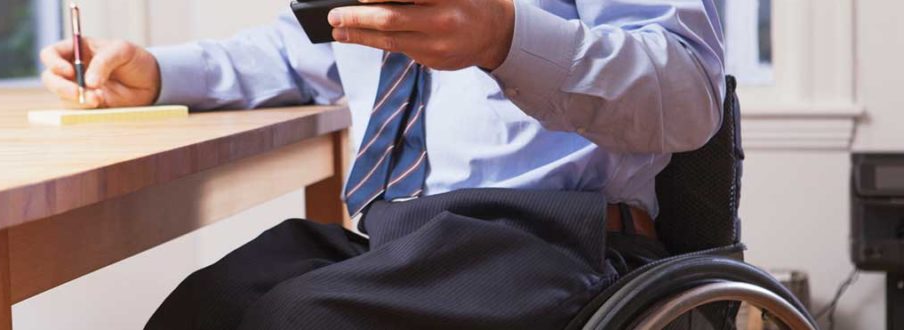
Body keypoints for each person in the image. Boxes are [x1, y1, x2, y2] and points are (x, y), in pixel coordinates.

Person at [40, 0, 726, 328]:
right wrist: (159, 73)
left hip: (561, 240)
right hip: (406, 239)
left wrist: (506, 37)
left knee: (299, 323)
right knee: (202, 312)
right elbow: (304, 47)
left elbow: (689, 90)